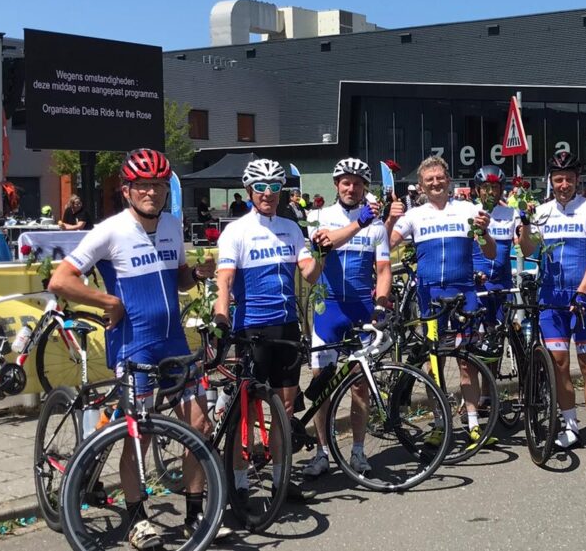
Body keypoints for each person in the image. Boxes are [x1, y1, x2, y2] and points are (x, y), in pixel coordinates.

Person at [47, 148, 229, 547]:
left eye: (159, 185)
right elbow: (60, 280)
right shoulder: (109, 230)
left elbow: (178, 279)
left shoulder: (172, 224)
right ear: (127, 190)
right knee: (139, 436)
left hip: (175, 342)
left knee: (199, 425)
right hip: (135, 346)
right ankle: (136, 518)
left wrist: (196, 274)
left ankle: (194, 514)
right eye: (143, 185)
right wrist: (108, 302)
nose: (152, 192)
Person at [212, 158, 322, 503]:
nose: (268, 194)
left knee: (284, 409)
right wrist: (220, 314)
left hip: (287, 326)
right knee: (244, 411)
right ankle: (240, 483)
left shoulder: (291, 228)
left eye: (275, 188)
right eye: (261, 188)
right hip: (252, 328)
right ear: (249, 191)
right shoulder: (237, 231)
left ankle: (279, 479)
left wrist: (321, 252)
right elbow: (225, 279)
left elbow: (310, 274)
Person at [387, 156, 497, 448]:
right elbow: (385, 246)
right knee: (435, 361)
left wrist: (484, 232)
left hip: (465, 292)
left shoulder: (468, 210)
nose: (435, 183)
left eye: (440, 178)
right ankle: (439, 422)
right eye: (429, 179)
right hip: (430, 294)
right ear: (421, 185)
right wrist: (389, 220)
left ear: (449, 180)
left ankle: (473, 422)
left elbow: (491, 253)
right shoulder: (415, 215)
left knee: (467, 361)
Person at [517, 151, 586, 459]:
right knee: (559, 365)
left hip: (584, 298)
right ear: (551, 181)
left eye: (569, 179)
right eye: (558, 179)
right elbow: (530, 249)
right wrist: (525, 223)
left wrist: (583, 291)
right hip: (551, 299)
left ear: (577, 180)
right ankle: (571, 427)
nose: (563, 185)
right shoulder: (542, 212)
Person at [301, 158, 390, 478]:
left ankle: (357, 451)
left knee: (360, 387)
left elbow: (383, 270)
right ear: (336, 184)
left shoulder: (377, 225)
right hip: (328, 311)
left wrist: (381, 304)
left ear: (365, 186)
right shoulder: (319, 217)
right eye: (345, 182)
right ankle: (323, 452)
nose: (351, 188)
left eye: (357, 183)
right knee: (322, 387)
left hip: (360, 311)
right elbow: (323, 245)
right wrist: (359, 224)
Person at [470, 165, 520, 348]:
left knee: (496, 343)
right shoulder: (470, 212)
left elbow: (523, 245)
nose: (490, 192)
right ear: (477, 190)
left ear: (501, 189)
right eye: (485, 187)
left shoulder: (511, 214)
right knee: (475, 344)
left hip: (502, 285)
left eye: (495, 187)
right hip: (477, 285)